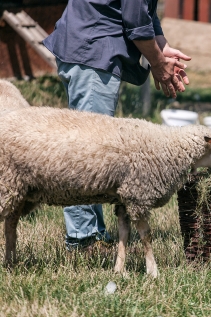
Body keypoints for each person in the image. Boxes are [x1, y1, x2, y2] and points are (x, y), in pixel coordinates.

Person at [43, 0, 191, 251]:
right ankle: (83, 239)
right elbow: (136, 20)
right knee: (88, 152)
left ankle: (93, 231)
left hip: (89, 47)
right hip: (92, 51)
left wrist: (162, 48)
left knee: (93, 149)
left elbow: (145, 12)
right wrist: (157, 63)